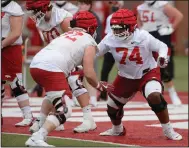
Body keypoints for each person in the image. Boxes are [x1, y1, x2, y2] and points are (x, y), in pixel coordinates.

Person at [25, 11, 114, 147]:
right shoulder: (88, 40)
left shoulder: (65, 34)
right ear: (91, 28)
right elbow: (89, 73)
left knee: (53, 95)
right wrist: (100, 86)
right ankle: (38, 137)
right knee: (65, 109)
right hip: (52, 68)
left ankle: (40, 122)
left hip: (35, 66)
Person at [96, 9, 182, 140]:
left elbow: (162, 46)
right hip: (125, 76)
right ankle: (117, 129)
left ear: (131, 26)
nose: (117, 32)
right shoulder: (110, 38)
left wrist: (163, 57)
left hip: (147, 73)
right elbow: (95, 52)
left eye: (121, 29)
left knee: (154, 97)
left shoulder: (143, 36)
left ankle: (168, 129)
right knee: (112, 106)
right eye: (115, 28)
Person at [25, 0, 97, 133]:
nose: (33, 14)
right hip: (55, 58)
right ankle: (44, 119)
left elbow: (74, 41)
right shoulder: (40, 20)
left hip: (68, 55)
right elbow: (49, 42)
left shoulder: (63, 19)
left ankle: (88, 119)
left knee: (74, 82)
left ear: (44, 7)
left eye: (35, 10)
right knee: (53, 90)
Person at [137, 1, 183, 106]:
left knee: (162, 68)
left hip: (160, 36)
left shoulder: (162, 5)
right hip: (147, 37)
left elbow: (179, 15)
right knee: (148, 68)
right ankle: (153, 95)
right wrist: (140, 30)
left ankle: (173, 94)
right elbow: (139, 21)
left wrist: (171, 27)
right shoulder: (141, 7)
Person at [1, 0, 34, 127]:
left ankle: (28, 115)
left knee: (16, 83)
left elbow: (15, 33)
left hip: (10, 47)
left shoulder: (13, 8)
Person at [77, 0, 103, 106]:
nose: (81, 6)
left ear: (89, 5)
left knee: (90, 73)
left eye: (83, 4)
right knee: (77, 75)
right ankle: (79, 97)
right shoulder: (76, 16)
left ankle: (93, 97)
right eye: (80, 4)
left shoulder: (94, 17)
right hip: (77, 48)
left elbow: (97, 35)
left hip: (89, 47)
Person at [99, 1, 124, 101]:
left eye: (116, 3)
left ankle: (123, 93)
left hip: (122, 49)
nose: (114, 5)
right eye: (112, 3)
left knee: (123, 72)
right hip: (111, 49)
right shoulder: (110, 17)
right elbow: (108, 35)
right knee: (104, 72)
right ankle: (103, 95)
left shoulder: (125, 16)